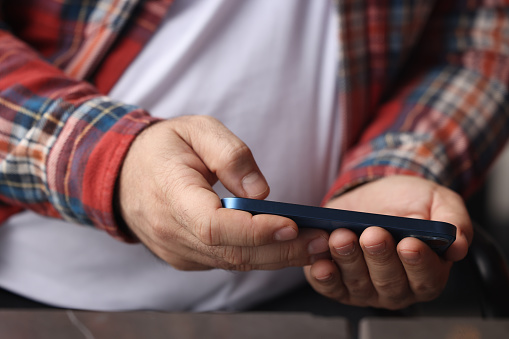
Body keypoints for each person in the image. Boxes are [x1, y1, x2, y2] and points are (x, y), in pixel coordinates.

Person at [0, 0, 506, 311]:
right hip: (36, 290)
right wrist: (112, 162)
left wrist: (398, 163)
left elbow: (476, 40)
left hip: (313, 289)